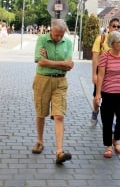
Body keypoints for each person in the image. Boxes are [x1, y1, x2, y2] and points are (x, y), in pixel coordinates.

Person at [32, 19, 74, 164]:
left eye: (61, 35)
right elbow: (39, 60)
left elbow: (69, 65)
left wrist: (49, 61)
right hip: (42, 80)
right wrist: (61, 64)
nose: (58, 38)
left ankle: (59, 152)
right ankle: (40, 141)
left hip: (60, 82)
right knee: (41, 112)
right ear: (51, 30)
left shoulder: (68, 43)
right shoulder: (42, 39)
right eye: (56, 35)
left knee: (59, 115)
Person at [94, 31, 120, 158]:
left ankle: (116, 139)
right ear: (112, 44)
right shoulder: (105, 56)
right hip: (108, 92)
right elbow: (100, 75)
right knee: (107, 120)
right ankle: (108, 146)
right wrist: (98, 93)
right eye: (119, 42)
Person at [91, 18, 120, 127]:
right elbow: (95, 58)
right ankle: (95, 111)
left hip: (114, 75)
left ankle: (111, 121)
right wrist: (94, 74)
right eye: (114, 26)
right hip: (102, 72)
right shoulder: (101, 39)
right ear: (109, 27)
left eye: (118, 26)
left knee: (114, 99)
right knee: (97, 96)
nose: (116, 28)